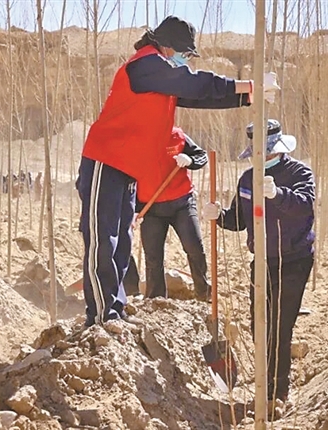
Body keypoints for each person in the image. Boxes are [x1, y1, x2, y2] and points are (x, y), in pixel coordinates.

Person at [76, 15, 279, 328]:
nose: (186, 60)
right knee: (104, 241)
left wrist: (249, 96)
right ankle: (102, 316)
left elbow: (201, 95)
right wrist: (249, 85)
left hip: (127, 170)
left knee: (122, 244)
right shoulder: (145, 64)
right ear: (167, 46)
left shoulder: (163, 78)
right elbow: (195, 83)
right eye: (185, 53)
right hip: (106, 162)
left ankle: (115, 309)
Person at [203, 119, 315, 417]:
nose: (261, 157)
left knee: (280, 326)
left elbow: (305, 205)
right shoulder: (247, 179)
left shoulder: (299, 173)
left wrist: (278, 194)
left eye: (266, 152)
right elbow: (240, 220)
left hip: (295, 260)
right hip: (263, 261)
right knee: (259, 326)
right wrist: (219, 216)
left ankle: (277, 393)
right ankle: (264, 385)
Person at [137, 127, 210, 301]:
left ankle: (203, 293)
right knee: (153, 256)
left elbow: (202, 156)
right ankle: (156, 300)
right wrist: (134, 209)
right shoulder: (136, 140)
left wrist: (190, 160)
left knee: (194, 247)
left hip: (182, 203)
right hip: (151, 208)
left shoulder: (177, 135)